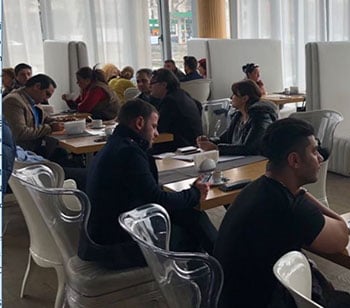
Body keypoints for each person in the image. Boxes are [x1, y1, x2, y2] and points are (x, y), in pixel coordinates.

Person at [214, 118, 350, 308]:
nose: (320, 158)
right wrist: (302, 194)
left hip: (228, 298)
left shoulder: (254, 188)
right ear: (294, 160)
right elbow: (341, 237)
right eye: (314, 151)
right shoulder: (291, 205)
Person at [81, 99, 216, 269]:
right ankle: (217, 270)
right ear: (139, 123)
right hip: (117, 245)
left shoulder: (114, 146)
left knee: (191, 215)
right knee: (192, 229)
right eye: (154, 126)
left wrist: (190, 195)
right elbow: (157, 200)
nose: (156, 133)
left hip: (104, 234)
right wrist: (195, 193)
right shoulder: (129, 153)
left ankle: (220, 266)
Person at [196, 80, 278, 156]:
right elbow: (225, 138)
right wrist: (207, 141)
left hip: (256, 162)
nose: (231, 97)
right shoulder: (238, 116)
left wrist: (217, 148)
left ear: (245, 98)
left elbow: (250, 148)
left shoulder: (260, 116)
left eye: (234, 94)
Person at [2, 74, 66, 160]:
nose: (46, 99)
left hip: (35, 148)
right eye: (46, 94)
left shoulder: (32, 99)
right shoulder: (13, 101)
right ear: (37, 86)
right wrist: (50, 128)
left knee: (63, 153)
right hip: (22, 154)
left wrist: (61, 121)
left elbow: (43, 119)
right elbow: (20, 133)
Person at [149, 69, 203, 154]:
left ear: (164, 84)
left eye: (152, 83)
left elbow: (159, 128)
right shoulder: (183, 94)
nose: (150, 87)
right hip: (194, 144)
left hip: (180, 148)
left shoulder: (170, 101)